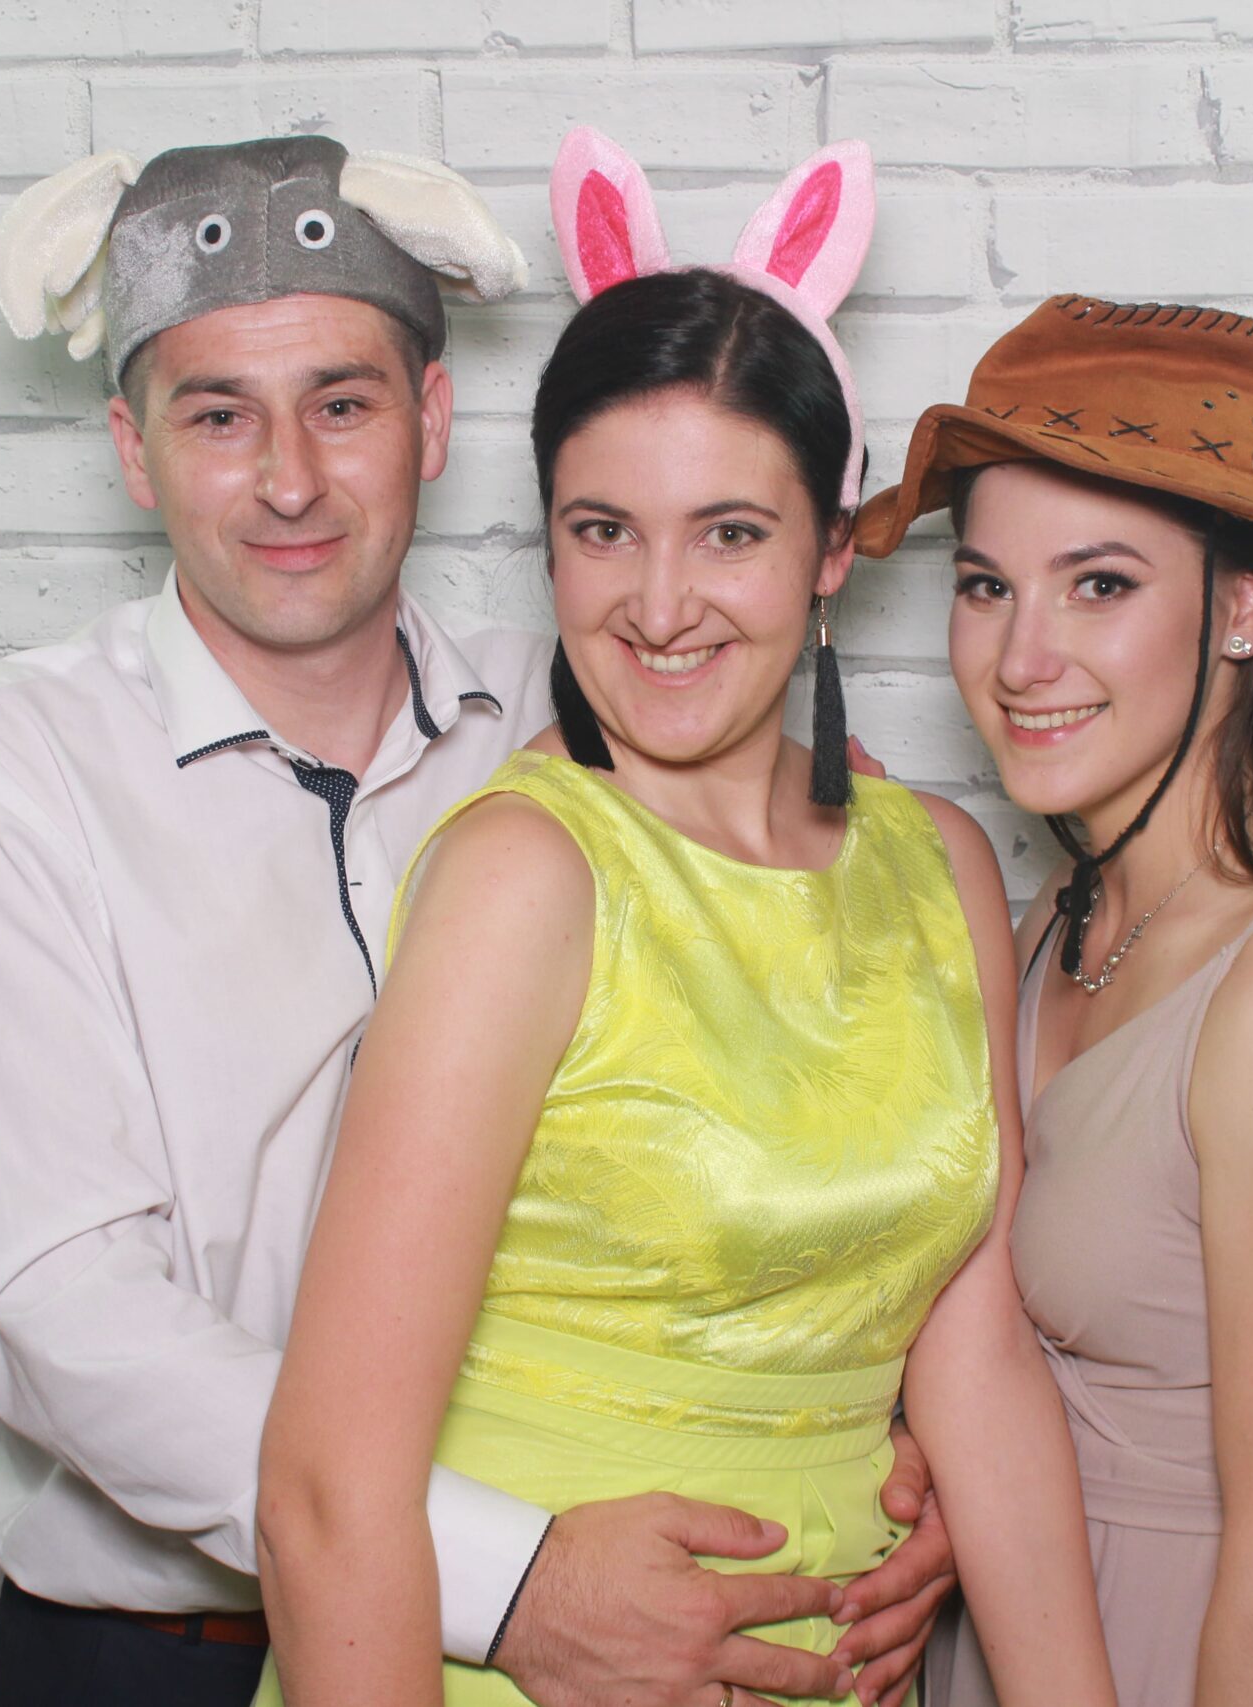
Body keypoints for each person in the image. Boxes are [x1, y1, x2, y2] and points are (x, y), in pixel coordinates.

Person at [0, 133, 946, 1707]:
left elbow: (836, 1049)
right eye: (218, 415)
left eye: (342, 404)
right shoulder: (0, 787)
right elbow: (65, 1319)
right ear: (132, 449)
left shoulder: (609, 709)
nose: (289, 479)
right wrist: (512, 1574)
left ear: (433, 421)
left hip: (628, 1629)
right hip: (168, 1650)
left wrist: (880, 1443)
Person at [254, 131, 1116, 1707]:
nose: (658, 607)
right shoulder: (527, 877)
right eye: (603, 531)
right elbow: (327, 1494)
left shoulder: (937, 867)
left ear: (833, 550)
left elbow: (978, 1356)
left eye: (729, 532)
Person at [854, 294, 1253, 1706]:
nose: (1021, 659)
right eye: (985, 585)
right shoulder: (1050, 926)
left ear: (1245, 608)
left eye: (1100, 586)